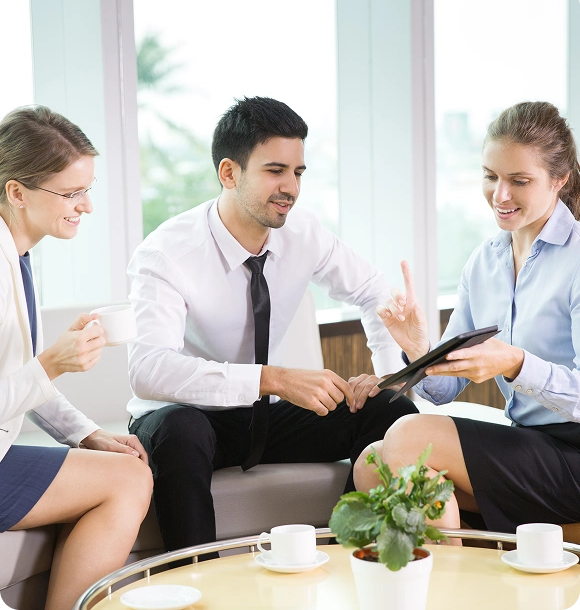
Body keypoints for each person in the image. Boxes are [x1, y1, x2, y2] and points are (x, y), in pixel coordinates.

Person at [126, 96, 418, 554]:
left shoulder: (304, 233)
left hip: (261, 419)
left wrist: (385, 376)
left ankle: (353, 555)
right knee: (181, 431)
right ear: (229, 173)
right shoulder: (166, 252)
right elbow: (149, 369)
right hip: (185, 420)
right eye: (274, 171)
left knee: (391, 412)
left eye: (298, 173)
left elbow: (376, 293)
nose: (291, 188)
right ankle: (196, 581)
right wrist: (271, 378)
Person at [354, 101, 580, 534]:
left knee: (406, 436)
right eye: (491, 176)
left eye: (519, 180)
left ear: (560, 180)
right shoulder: (484, 261)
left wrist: (515, 364)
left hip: (573, 455)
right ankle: (450, 586)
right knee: (371, 466)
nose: (500, 195)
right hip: (530, 446)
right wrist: (419, 348)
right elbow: (442, 392)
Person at [0, 105, 153, 610]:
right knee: (130, 480)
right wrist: (52, 363)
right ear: (16, 192)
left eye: (87, 190)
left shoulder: (17, 254)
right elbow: (30, 376)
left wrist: (88, 435)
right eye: (71, 193)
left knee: (125, 468)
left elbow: (16, 376)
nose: (86, 206)